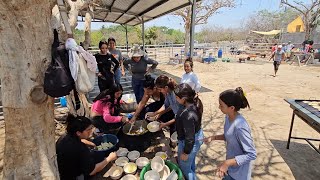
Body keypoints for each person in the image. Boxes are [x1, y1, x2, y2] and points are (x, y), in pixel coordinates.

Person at [203, 87, 256, 180]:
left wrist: (227, 163)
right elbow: (229, 135)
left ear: (231, 108)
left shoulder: (240, 127)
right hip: (230, 169)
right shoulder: (228, 117)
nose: (219, 107)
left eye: (221, 105)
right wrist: (213, 137)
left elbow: (251, 154)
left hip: (239, 175)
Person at [56, 114, 117, 180]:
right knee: (100, 156)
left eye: (91, 128)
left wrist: (90, 143)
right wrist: (109, 158)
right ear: (78, 133)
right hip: (73, 177)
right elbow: (91, 172)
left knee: (98, 154)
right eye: (88, 130)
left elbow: (80, 139)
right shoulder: (81, 149)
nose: (91, 131)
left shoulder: (65, 137)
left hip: (63, 170)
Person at [174, 83, 204, 180]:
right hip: (197, 136)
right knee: (190, 164)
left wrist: (186, 152)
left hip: (190, 142)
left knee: (185, 169)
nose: (175, 99)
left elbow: (190, 137)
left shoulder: (188, 115)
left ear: (183, 99)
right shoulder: (193, 104)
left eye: (176, 97)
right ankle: (192, 172)